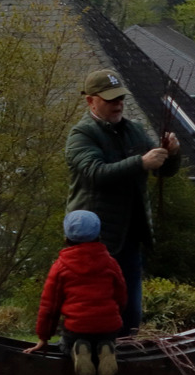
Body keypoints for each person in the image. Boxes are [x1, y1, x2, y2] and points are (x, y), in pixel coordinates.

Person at [65, 68, 181, 332]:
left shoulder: (134, 130)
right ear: (90, 101)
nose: (118, 104)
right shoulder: (81, 135)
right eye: (110, 99)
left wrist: (172, 154)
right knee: (91, 309)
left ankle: (124, 363)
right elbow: (95, 174)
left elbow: (163, 171)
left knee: (130, 314)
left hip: (130, 235)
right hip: (94, 240)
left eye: (120, 99)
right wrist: (140, 162)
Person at [24, 210, 126, 375]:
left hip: (77, 328)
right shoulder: (110, 262)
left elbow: (50, 306)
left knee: (64, 345)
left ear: (66, 237)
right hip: (108, 327)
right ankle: (106, 347)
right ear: (98, 235)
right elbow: (121, 295)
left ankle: (76, 348)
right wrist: (115, 314)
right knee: (104, 340)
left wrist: (43, 338)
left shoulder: (60, 266)